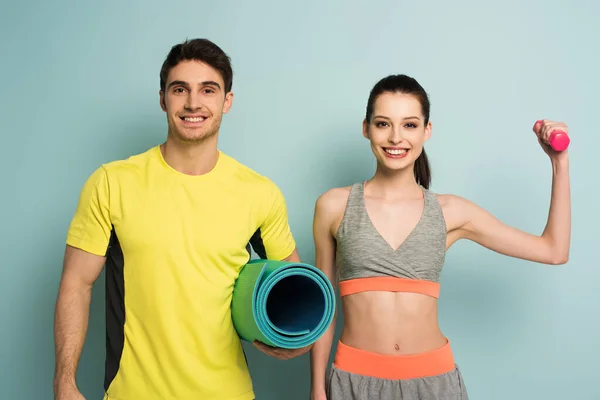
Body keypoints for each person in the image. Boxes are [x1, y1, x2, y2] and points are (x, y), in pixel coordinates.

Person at [52, 38, 311, 400]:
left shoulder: (259, 193)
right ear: (163, 99)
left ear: (227, 101)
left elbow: (297, 289)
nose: (193, 103)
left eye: (208, 90)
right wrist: (64, 382)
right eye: (180, 89)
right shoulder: (111, 183)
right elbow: (76, 284)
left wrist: (297, 340)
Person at [309, 74, 571, 399]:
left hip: (433, 384)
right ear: (366, 128)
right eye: (382, 124)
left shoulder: (450, 212)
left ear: (426, 131)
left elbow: (553, 250)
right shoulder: (334, 206)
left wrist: (559, 162)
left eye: (409, 125)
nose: (395, 138)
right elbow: (321, 307)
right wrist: (318, 388)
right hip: (353, 381)